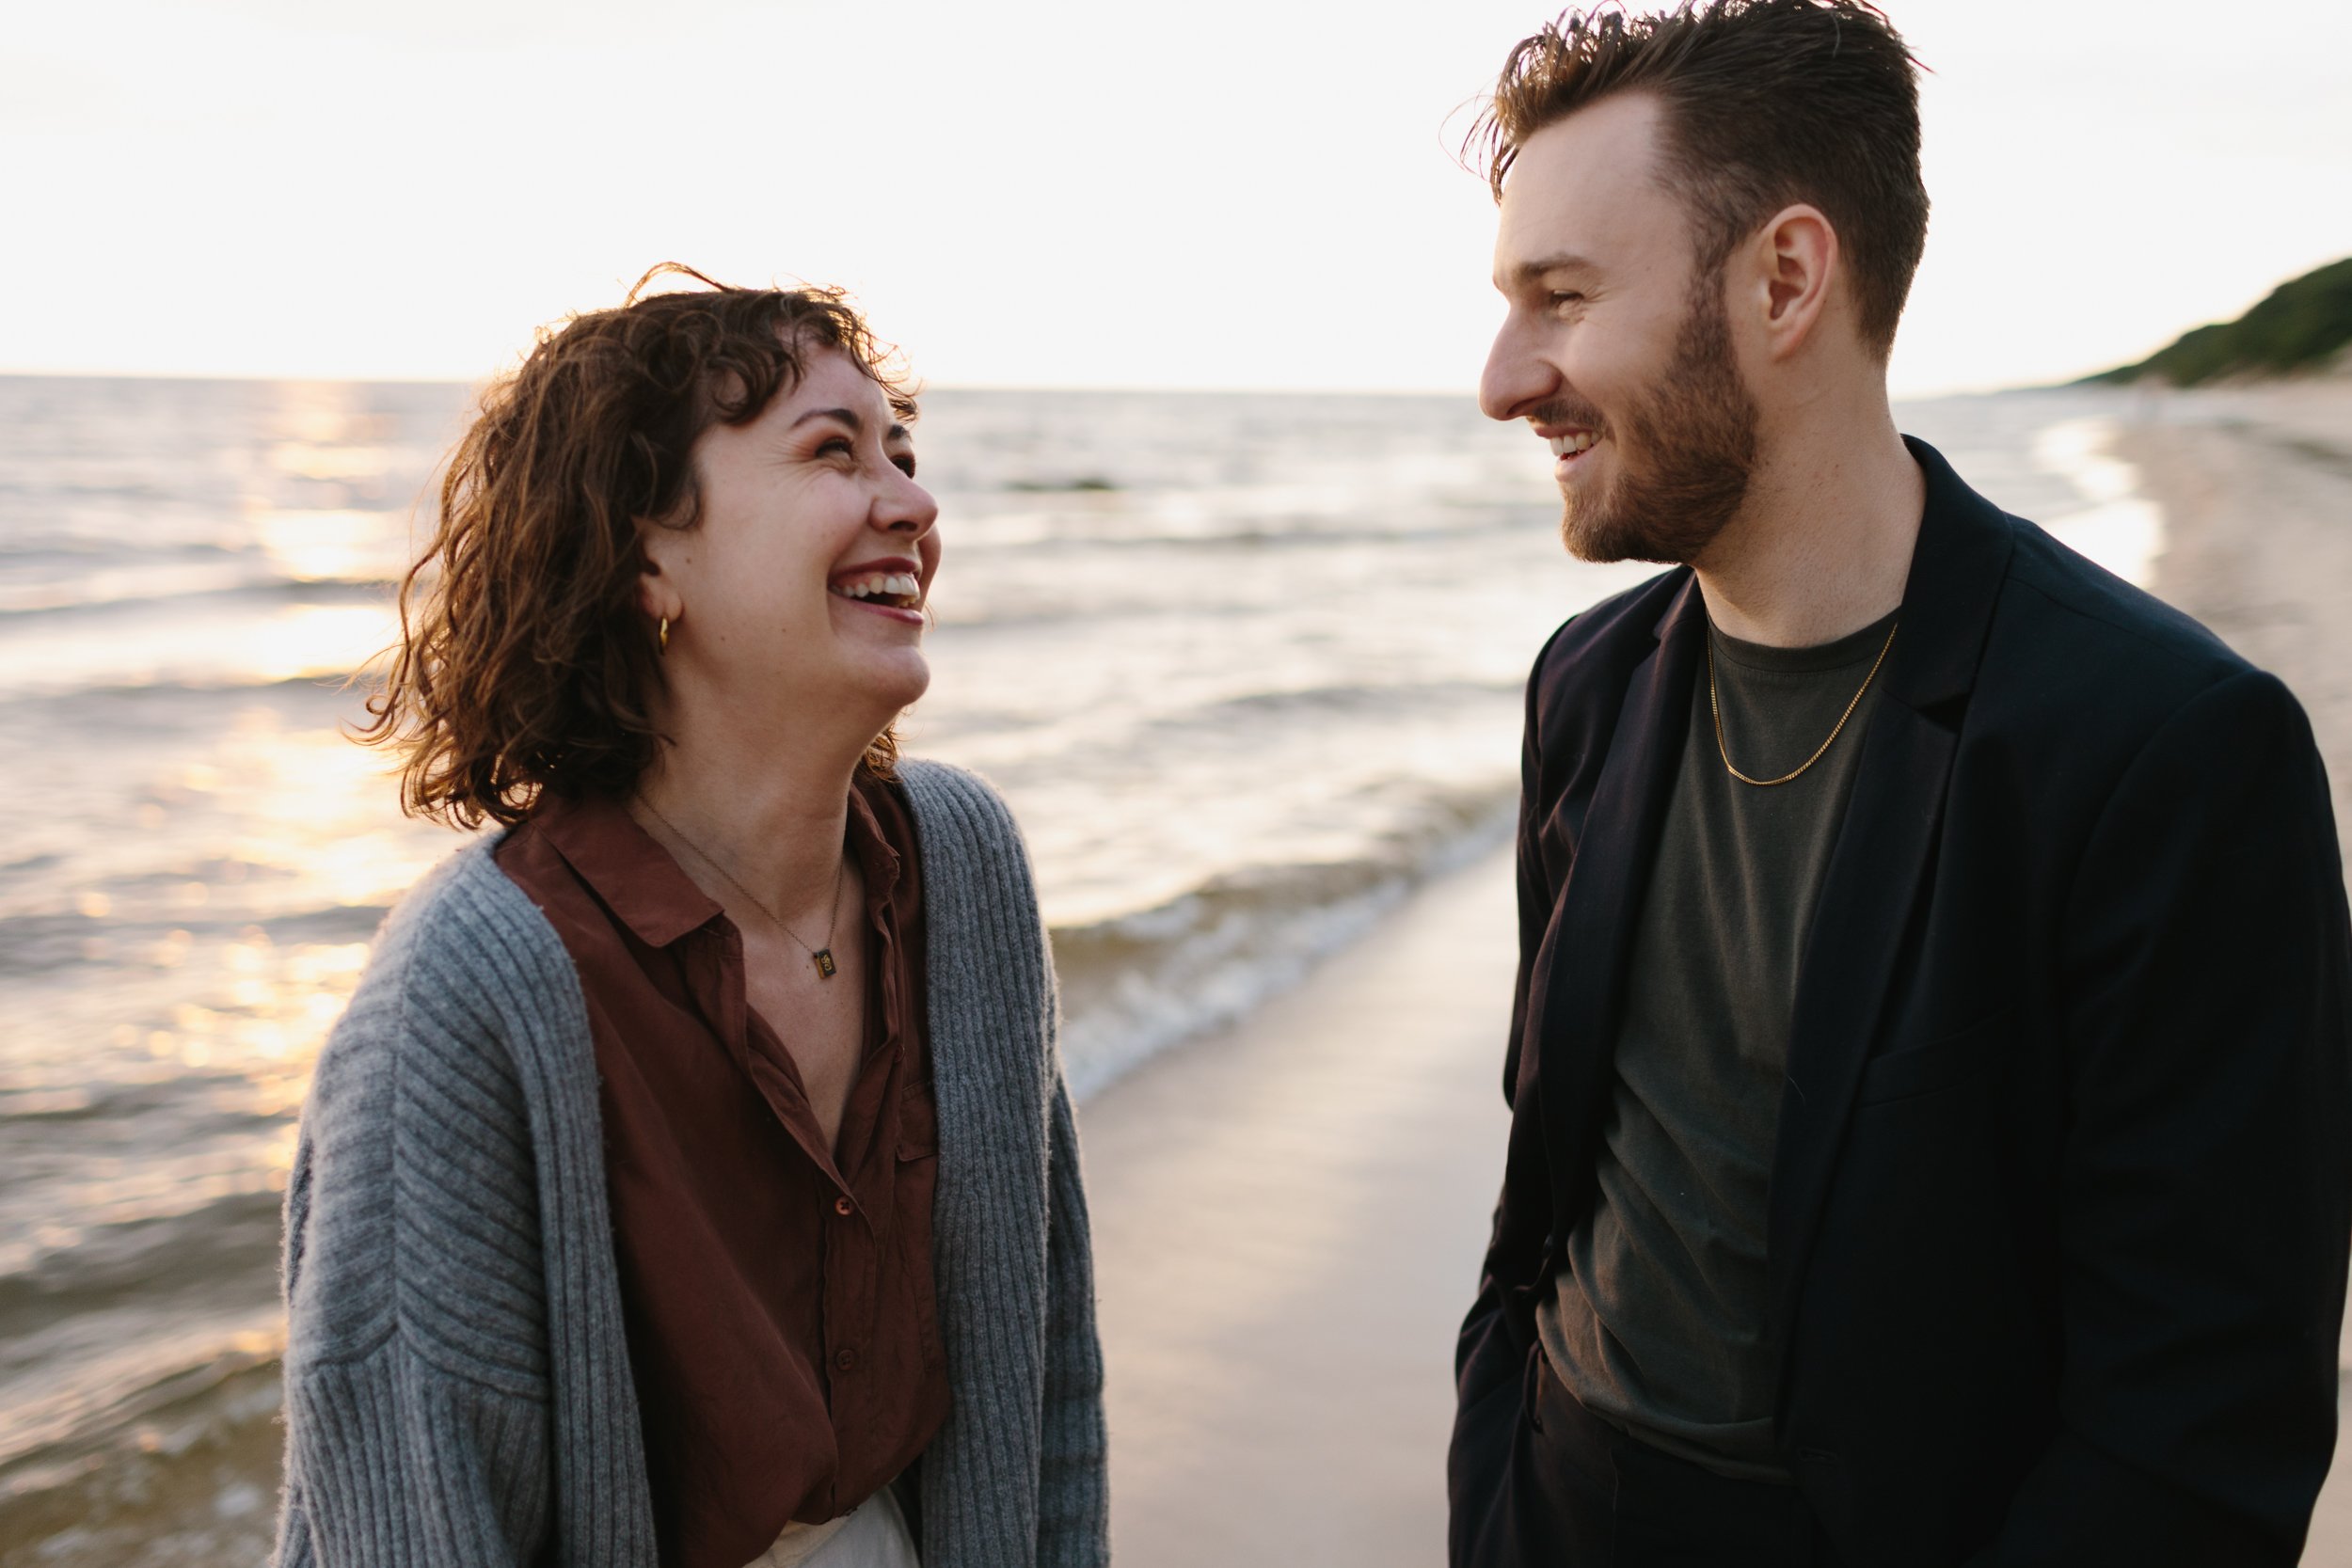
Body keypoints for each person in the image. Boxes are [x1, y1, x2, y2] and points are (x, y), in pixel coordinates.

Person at [1446, 4, 2352, 1564]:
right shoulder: (1586, 689)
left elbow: (2202, 1420)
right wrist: (1495, 1484)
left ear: (1785, 279)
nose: (1502, 377)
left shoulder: (2170, 747)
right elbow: (1546, 1192)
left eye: (1564, 298)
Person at [270, 267, 1107, 1568]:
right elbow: (418, 1522)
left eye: (903, 451)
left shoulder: (962, 866)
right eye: (834, 453)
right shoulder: (465, 997)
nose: (915, 502)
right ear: (647, 556)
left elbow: (1042, 1380)